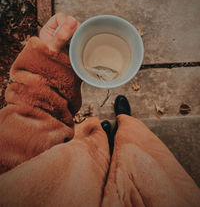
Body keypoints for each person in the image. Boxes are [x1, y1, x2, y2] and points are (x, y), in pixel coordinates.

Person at [0, 13, 199, 207]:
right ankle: (124, 123)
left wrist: (44, 84)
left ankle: (105, 139)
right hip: (142, 193)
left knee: (95, 142)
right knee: (135, 145)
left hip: (77, 168)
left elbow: (13, 156)